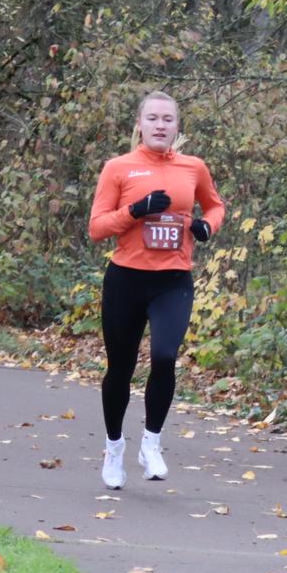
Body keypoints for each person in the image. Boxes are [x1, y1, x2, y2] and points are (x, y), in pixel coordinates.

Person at [87, 91, 225, 489]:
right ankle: (114, 448)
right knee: (121, 368)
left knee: (164, 357)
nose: (160, 125)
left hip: (172, 280)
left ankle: (151, 443)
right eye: (153, 118)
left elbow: (215, 206)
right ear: (140, 124)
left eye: (168, 119)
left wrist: (206, 226)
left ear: (177, 126)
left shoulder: (193, 167)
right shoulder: (118, 168)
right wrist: (136, 210)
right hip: (126, 280)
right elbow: (96, 228)